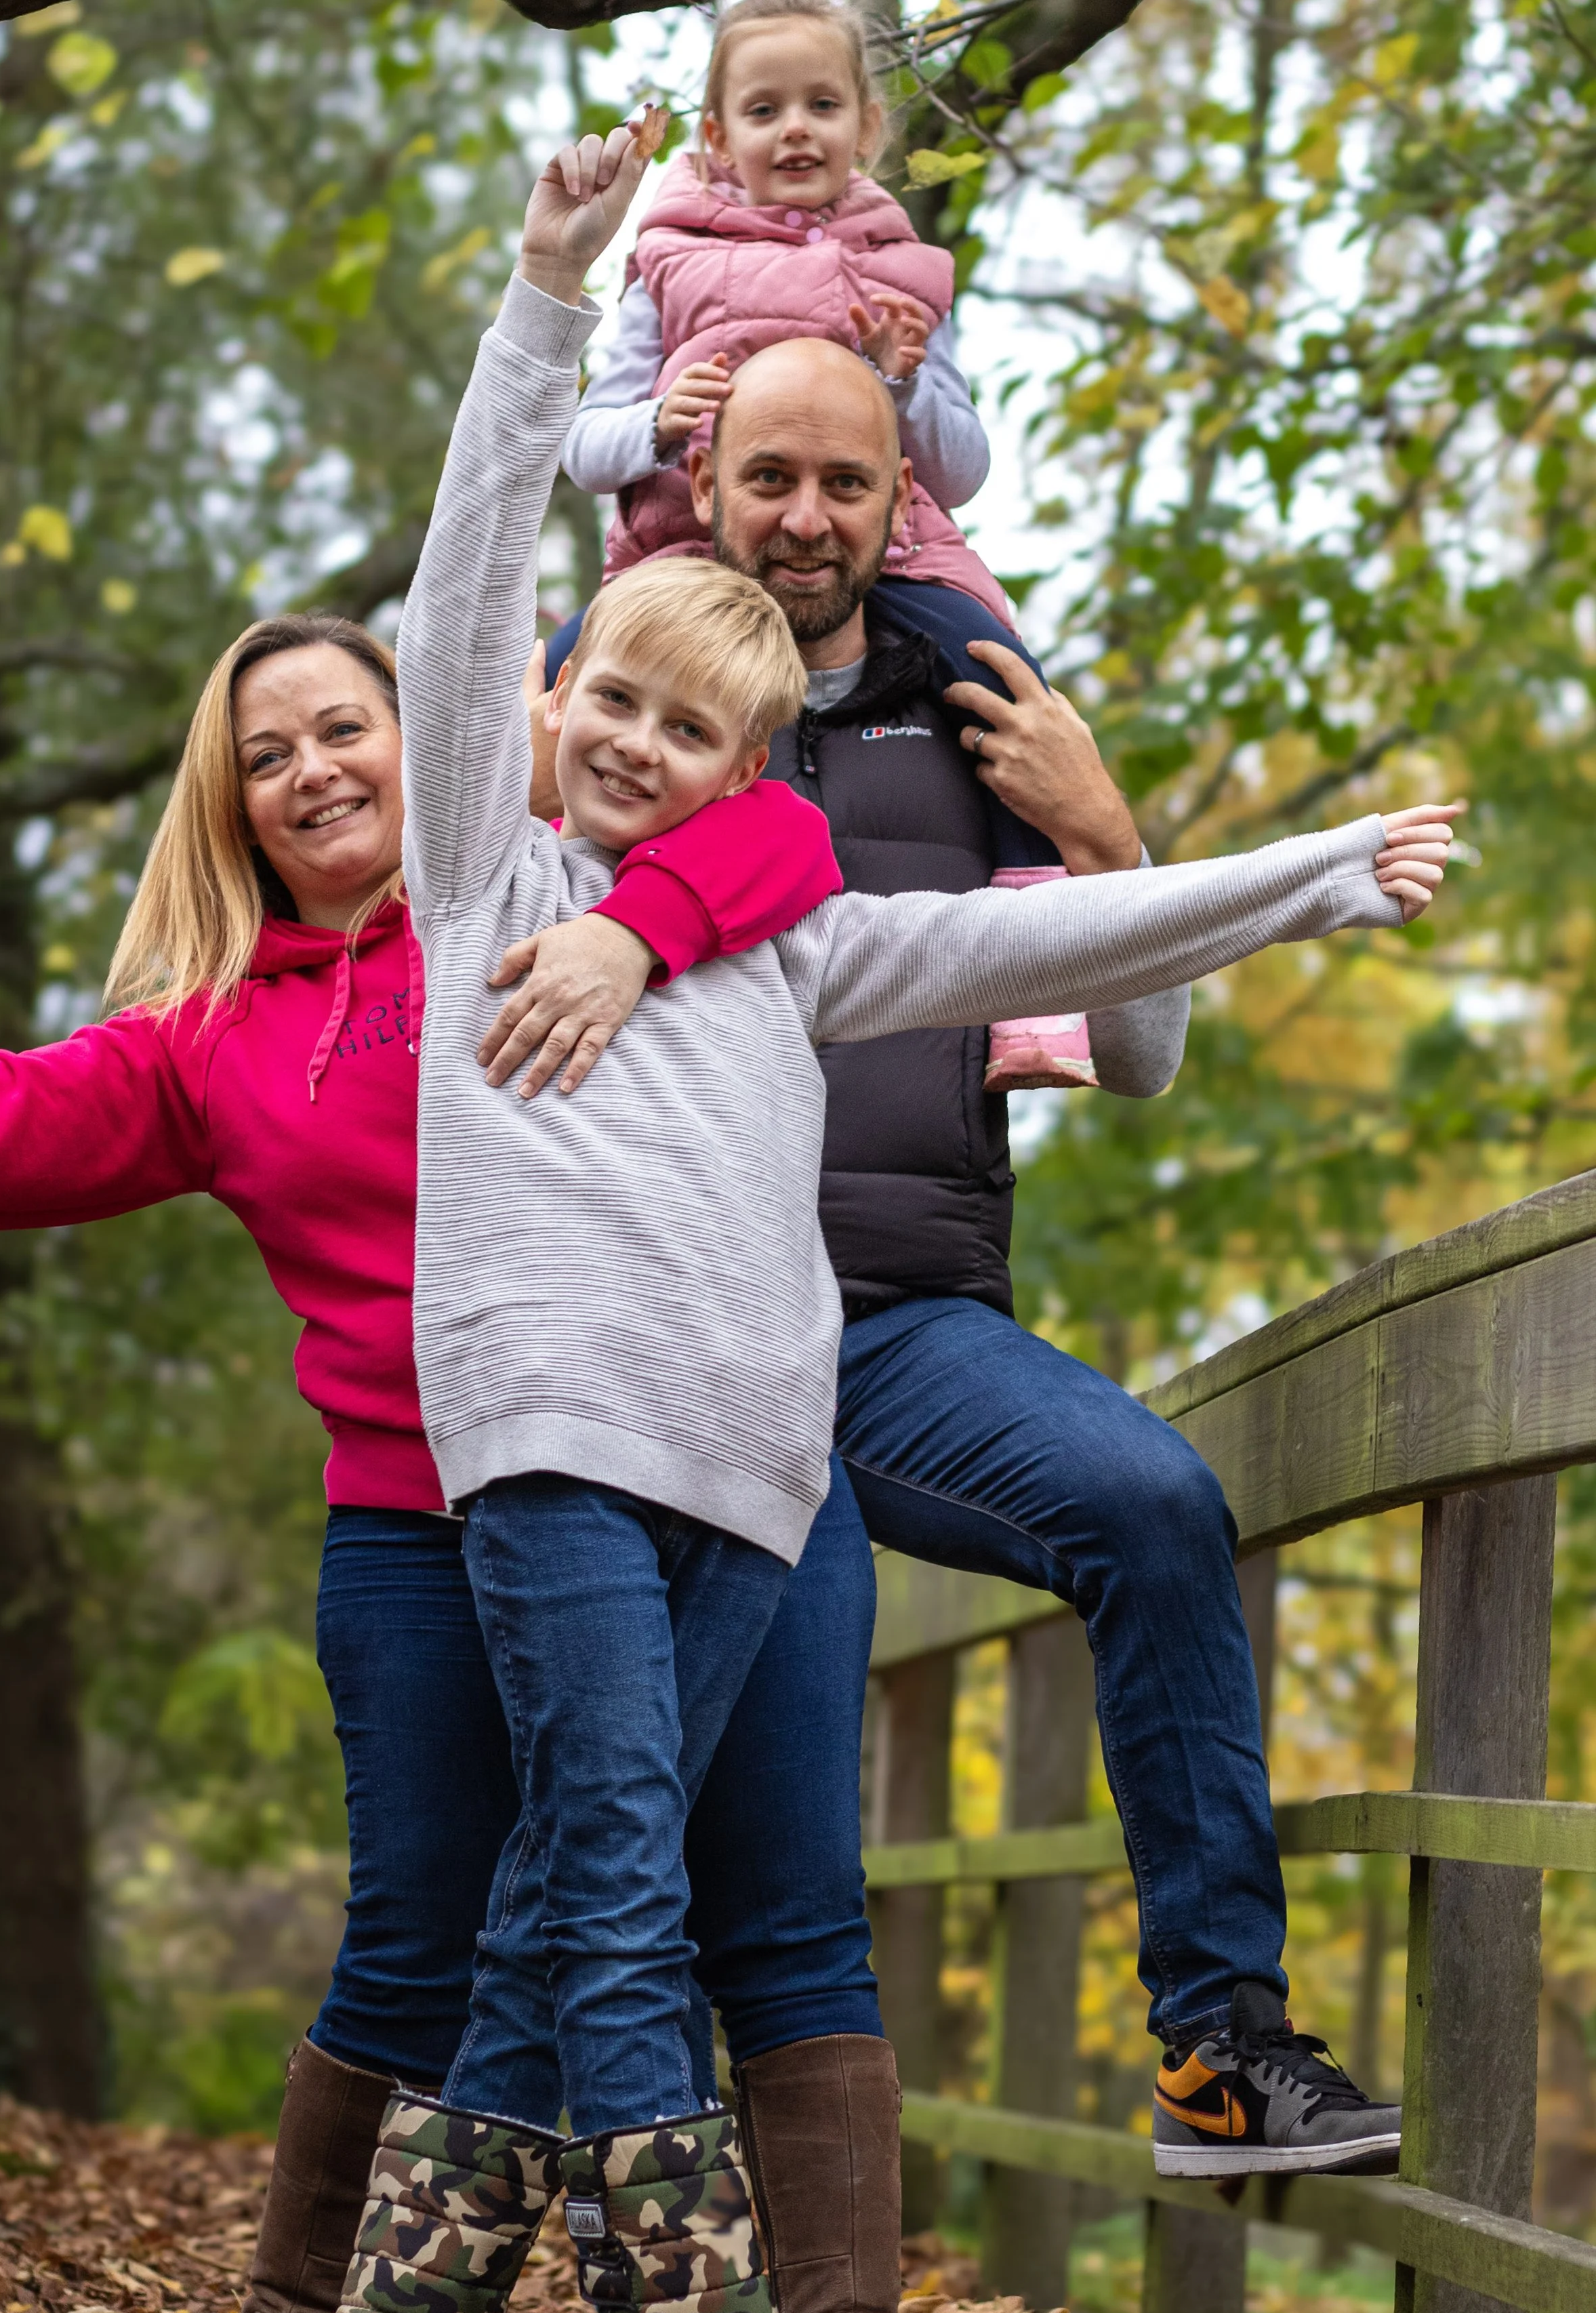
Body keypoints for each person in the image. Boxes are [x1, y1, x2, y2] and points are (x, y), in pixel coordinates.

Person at [322, 117, 1458, 2313]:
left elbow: (1057, 955)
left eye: (687, 737)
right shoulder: (487, 867)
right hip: (557, 1435)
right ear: (558, 697)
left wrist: (1307, 874)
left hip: (772, 1442)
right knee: (630, 1859)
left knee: (592, 1875)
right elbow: (463, 584)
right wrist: (543, 301)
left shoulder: (816, 906)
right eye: (599, 706)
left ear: (762, 772)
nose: (630, 746)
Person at [0, 609, 860, 2313]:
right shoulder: (214, 1045)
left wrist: (625, 927)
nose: (311, 771)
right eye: (266, 759)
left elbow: (786, 834)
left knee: (709, 1907)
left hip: (673, 1482)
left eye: (343, 727)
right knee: (427, 1923)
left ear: (431, 741)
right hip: (416, 1517)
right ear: (233, 809)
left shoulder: (551, 894)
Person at [524, 323, 1444, 2200]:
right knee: (732, 1795)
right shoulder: (604, 688)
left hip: (898, 1328)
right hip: (657, 1337)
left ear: (899, 501)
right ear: (699, 486)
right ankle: (640, 2247)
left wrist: (1101, 833)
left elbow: (1136, 1055)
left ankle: (1217, 2046)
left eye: (843, 482)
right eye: (766, 476)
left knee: (1151, 1502)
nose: (801, 515)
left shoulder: (979, 708)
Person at [558, 0, 1090, 1094]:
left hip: (891, 559)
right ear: (716, 136)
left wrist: (903, 378)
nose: (793, 130)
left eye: (820, 105)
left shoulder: (898, 269)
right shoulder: (666, 262)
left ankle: (1039, 981)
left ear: (865, 127)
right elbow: (584, 445)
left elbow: (963, 468)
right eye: (762, 110)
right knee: (573, 672)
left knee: (995, 665)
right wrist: (658, 421)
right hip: (686, 562)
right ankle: (560, 923)